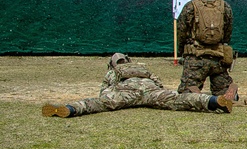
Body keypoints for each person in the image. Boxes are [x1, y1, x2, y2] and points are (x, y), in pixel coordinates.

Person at [42, 53, 234, 117]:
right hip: (150, 91)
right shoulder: (141, 67)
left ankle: (69, 109)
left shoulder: (114, 71)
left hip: (126, 93)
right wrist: (158, 94)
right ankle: (214, 100)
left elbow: (105, 91)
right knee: (181, 100)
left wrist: (112, 97)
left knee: (97, 103)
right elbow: (157, 82)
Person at [176, 0, 237, 98]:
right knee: (222, 88)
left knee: (186, 93)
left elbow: (182, 31)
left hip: (196, 58)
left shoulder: (190, 6)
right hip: (218, 57)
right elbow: (228, 31)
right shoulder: (224, 6)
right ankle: (227, 92)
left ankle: (198, 96)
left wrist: (182, 50)